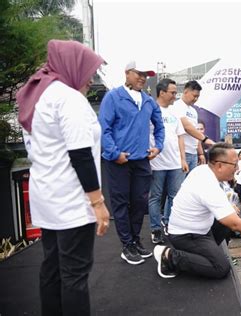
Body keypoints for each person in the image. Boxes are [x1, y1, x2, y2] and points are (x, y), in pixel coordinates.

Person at [17, 40, 110, 315]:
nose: (91, 79)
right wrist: (98, 203)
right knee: (74, 274)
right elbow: (80, 155)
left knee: (52, 268)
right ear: (73, 66)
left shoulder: (38, 94)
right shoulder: (69, 99)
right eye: (89, 70)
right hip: (71, 199)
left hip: (46, 195)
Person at [153, 143, 241, 279]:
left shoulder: (203, 170)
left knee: (227, 219)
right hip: (186, 235)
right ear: (219, 165)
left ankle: (205, 254)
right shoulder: (207, 184)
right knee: (221, 267)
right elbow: (236, 224)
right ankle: (169, 256)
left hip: (202, 229)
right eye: (234, 164)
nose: (236, 168)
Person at [99, 60, 164, 265]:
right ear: (127, 73)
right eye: (139, 73)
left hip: (142, 160)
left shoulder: (148, 100)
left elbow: (159, 125)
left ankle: (135, 240)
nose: (143, 77)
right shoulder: (113, 96)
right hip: (118, 161)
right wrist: (114, 152)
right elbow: (104, 128)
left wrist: (158, 146)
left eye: (146, 74)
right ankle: (126, 244)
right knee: (121, 203)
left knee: (139, 203)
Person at [148, 79, 188, 244]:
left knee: (175, 197)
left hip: (175, 164)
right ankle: (156, 229)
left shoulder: (175, 113)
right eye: (172, 92)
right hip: (156, 162)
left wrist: (183, 159)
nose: (174, 96)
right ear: (162, 92)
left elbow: (180, 137)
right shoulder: (150, 110)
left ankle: (170, 225)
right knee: (155, 197)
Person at [172, 80, 214, 173]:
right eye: (194, 96)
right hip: (182, 152)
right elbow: (187, 127)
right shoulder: (176, 106)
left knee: (191, 183)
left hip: (193, 153)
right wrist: (206, 140)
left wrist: (200, 153)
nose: (196, 99)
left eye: (198, 97)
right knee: (181, 184)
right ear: (185, 92)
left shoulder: (193, 111)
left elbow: (196, 133)